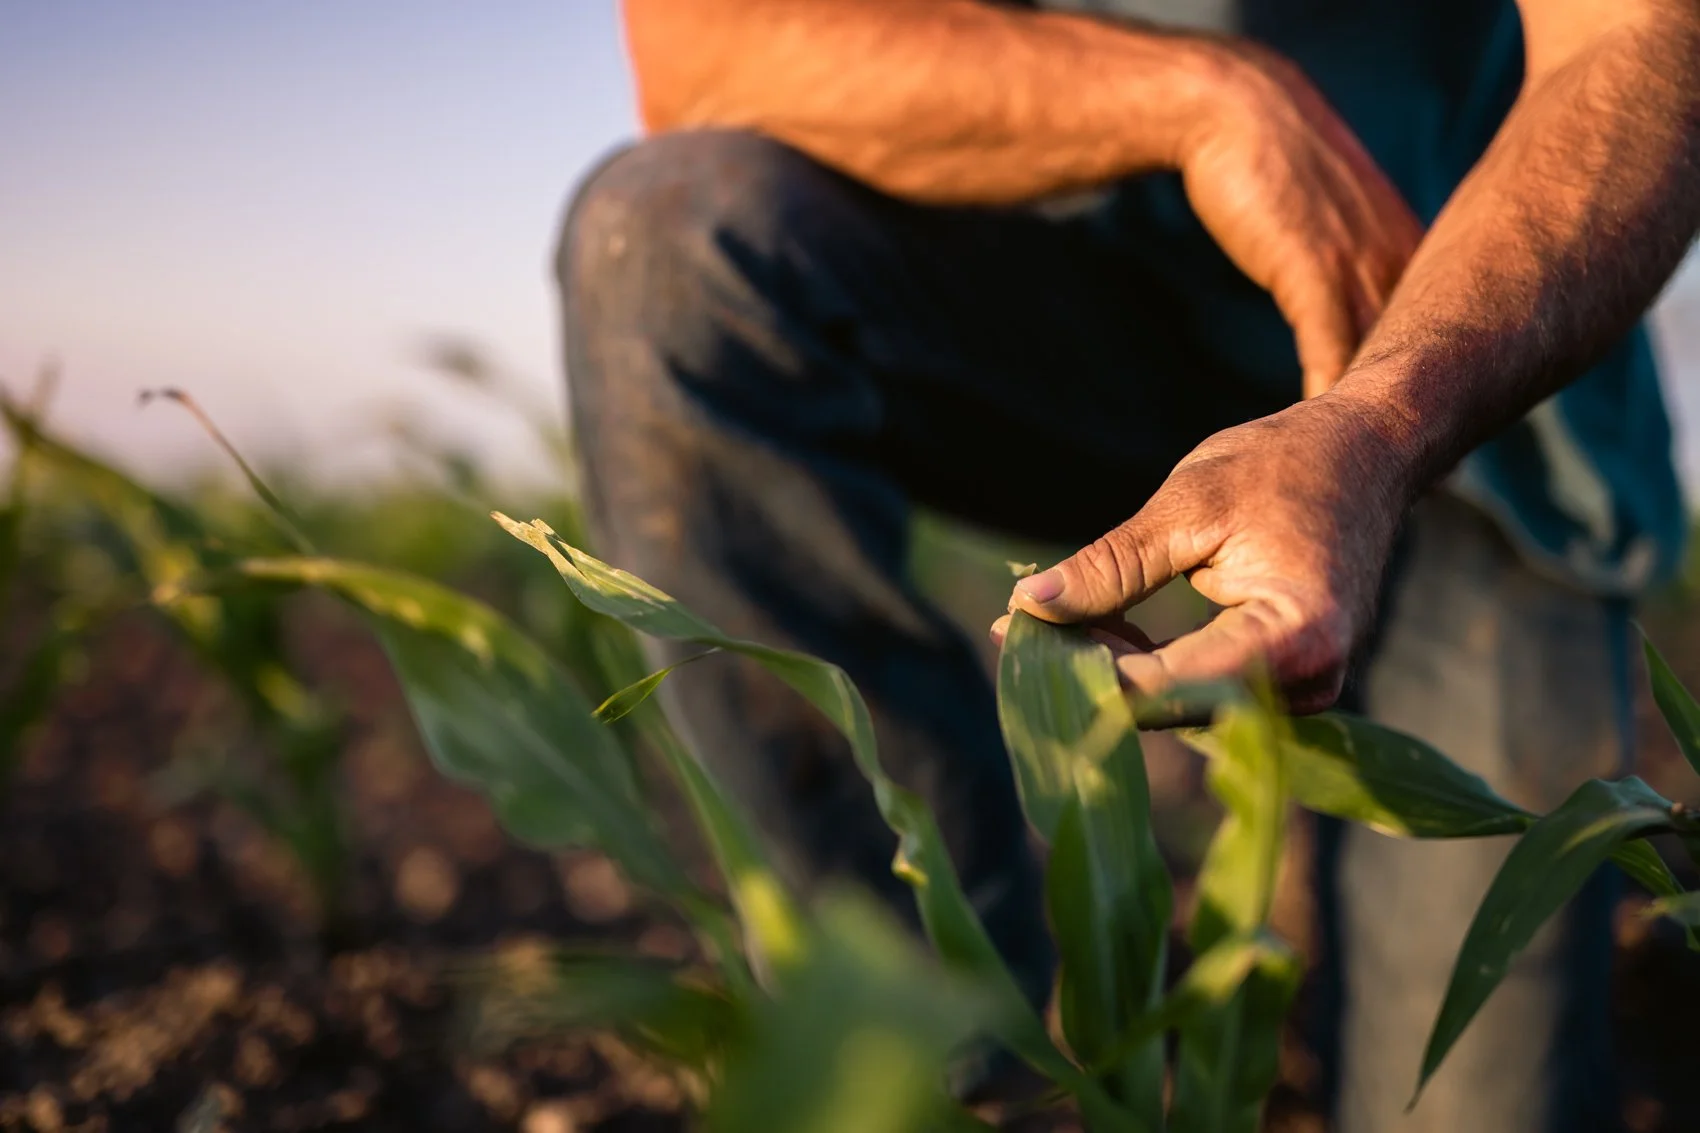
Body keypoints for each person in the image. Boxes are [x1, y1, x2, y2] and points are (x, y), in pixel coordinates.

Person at [557, 1, 1700, 1129]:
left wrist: (1380, 422)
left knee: (1469, 1102)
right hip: (1081, 321)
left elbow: (1636, 37)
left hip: (1476, 397)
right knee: (664, 237)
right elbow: (705, 47)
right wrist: (1207, 98)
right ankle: (912, 1047)